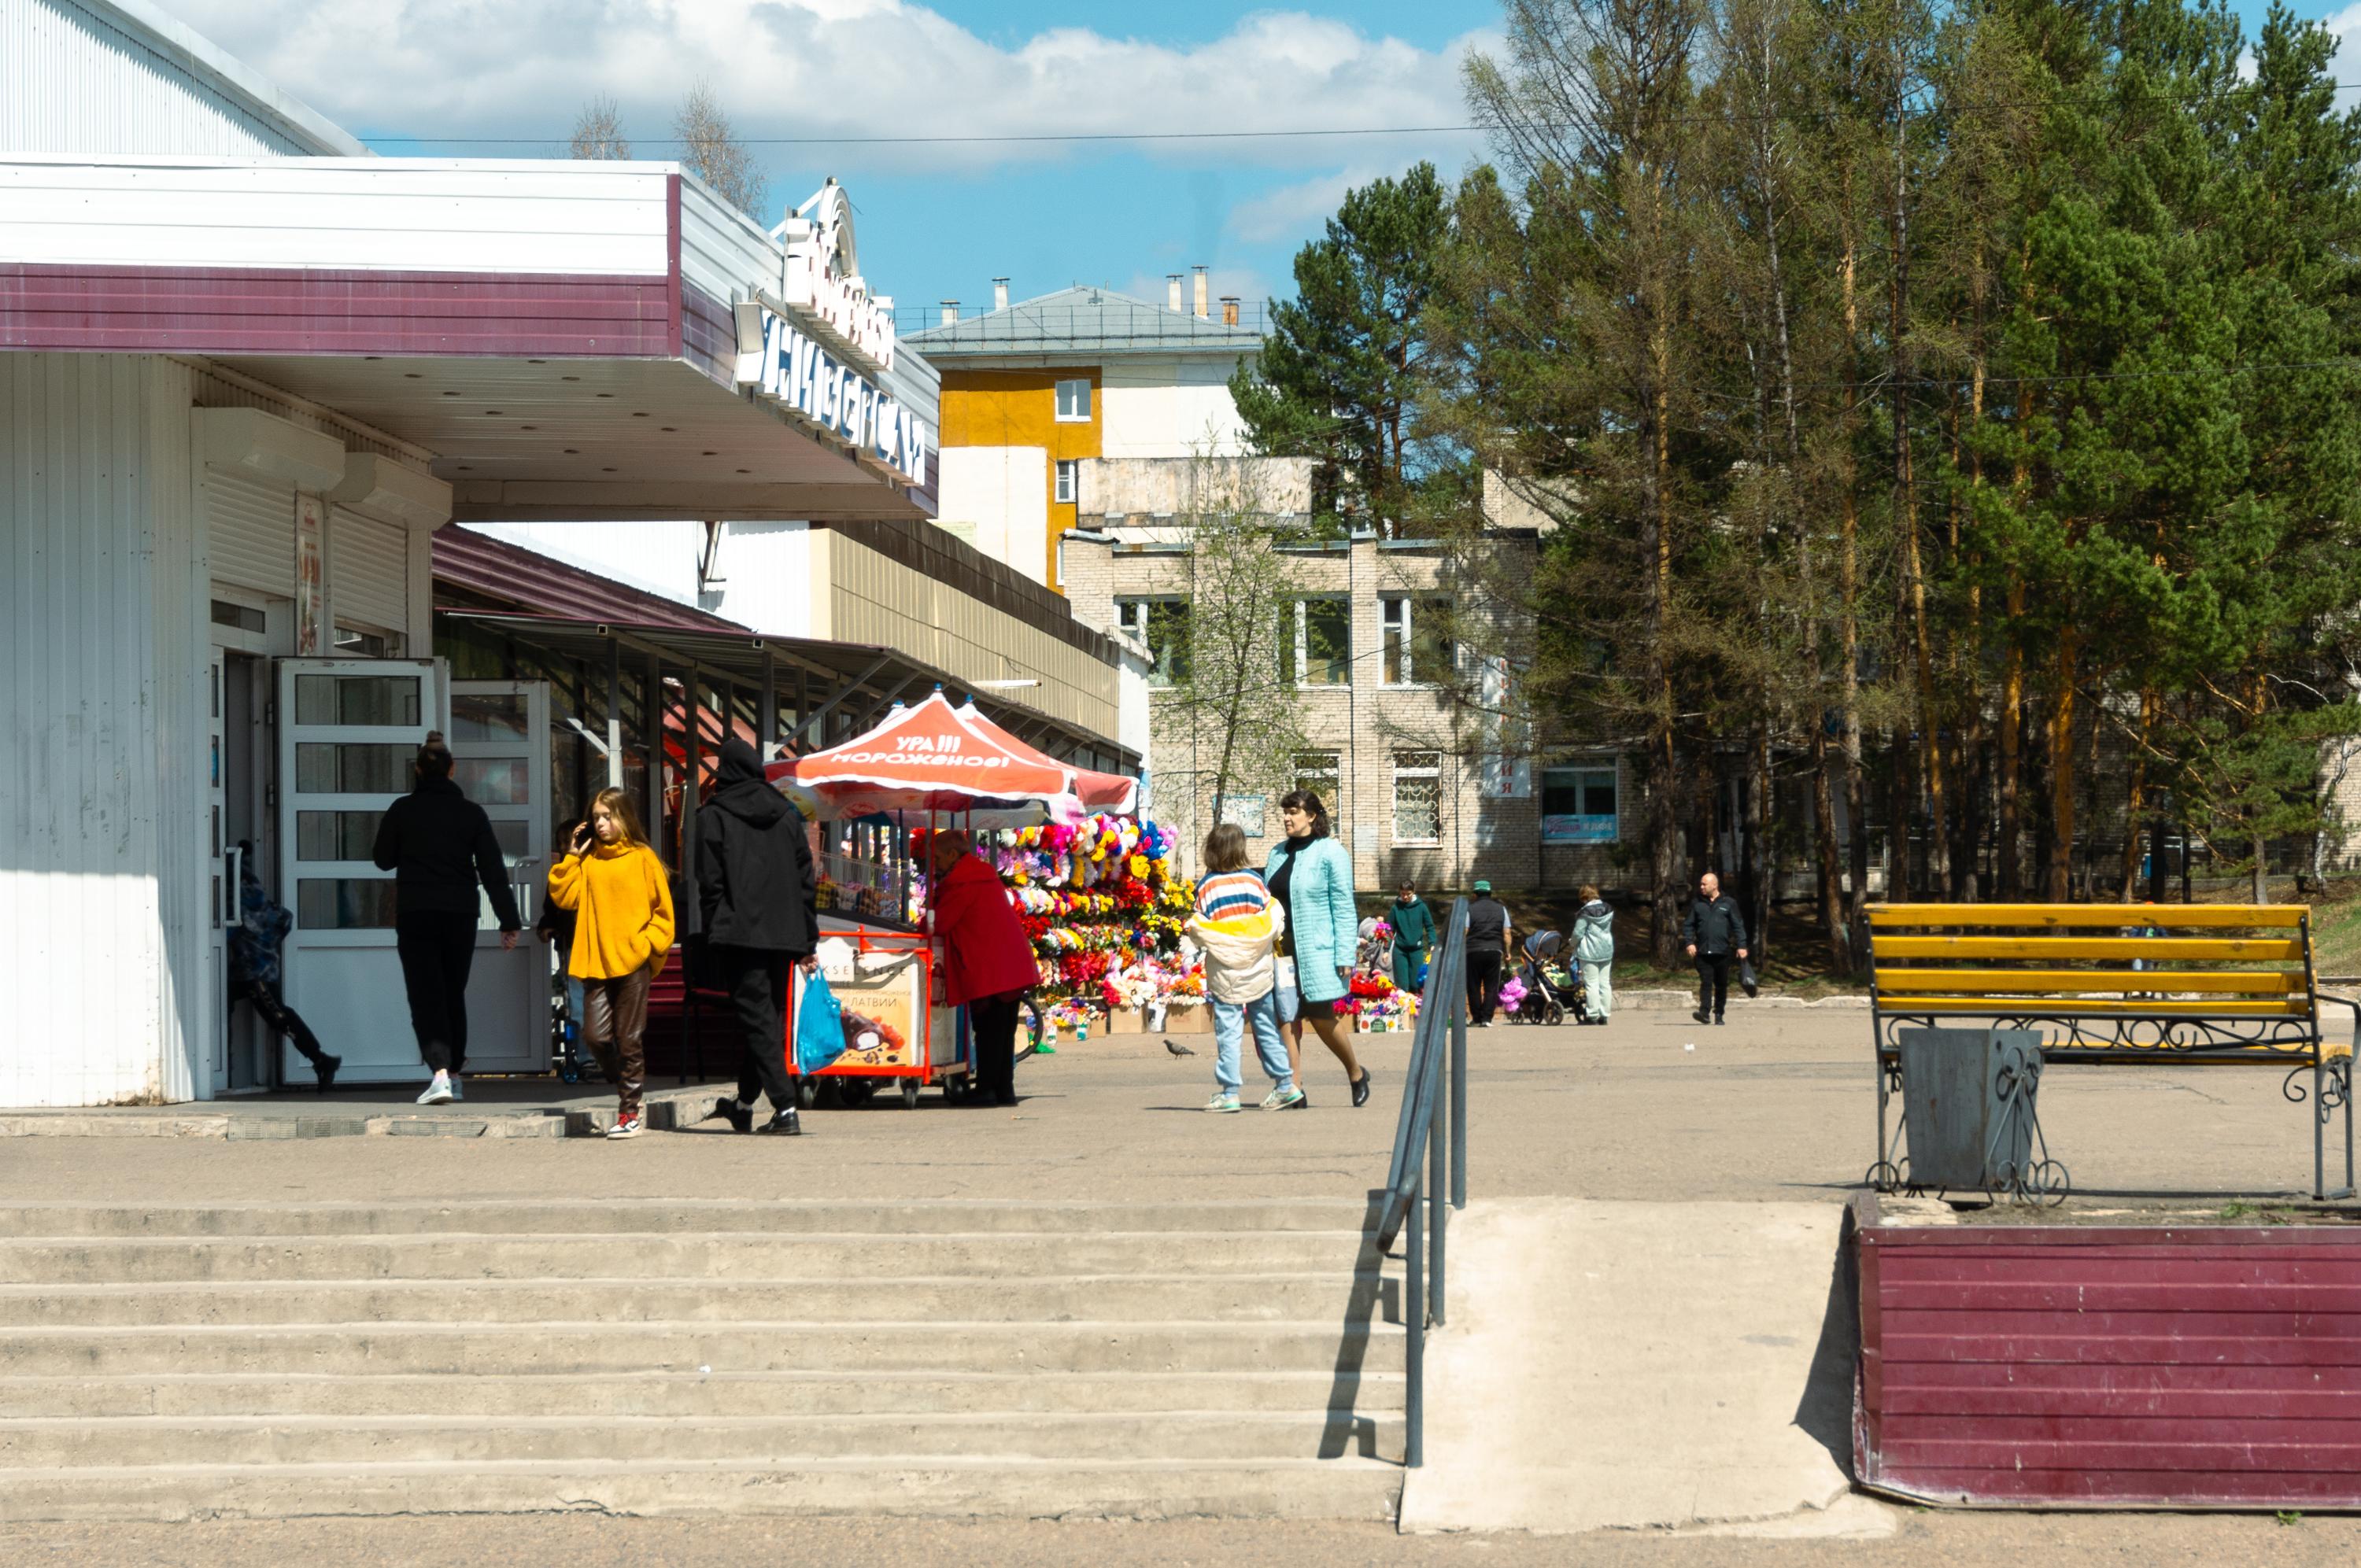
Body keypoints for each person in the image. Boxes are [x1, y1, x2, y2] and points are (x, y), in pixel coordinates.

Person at [371, 732, 521, 1106]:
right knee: (453, 992)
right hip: (460, 914)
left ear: (419, 771)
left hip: (417, 912)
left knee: (426, 994)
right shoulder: (471, 813)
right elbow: (492, 870)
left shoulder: (402, 809)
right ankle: (454, 1074)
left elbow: (383, 858)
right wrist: (509, 920)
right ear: (452, 771)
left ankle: (439, 1072)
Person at [696, 739, 817, 1137]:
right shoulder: (786, 814)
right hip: (783, 934)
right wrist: (807, 939)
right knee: (765, 1020)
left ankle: (785, 1107)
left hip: (740, 934)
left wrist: (717, 929)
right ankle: (744, 1105)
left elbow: (709, 883)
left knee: (758, 1017)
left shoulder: (713, 815)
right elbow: (805, 882)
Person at [547, 790, 674, 1138]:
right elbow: (563, 896)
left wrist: (647, 945)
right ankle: (627, 1086)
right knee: (596, 1037)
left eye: (608, 816)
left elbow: (664, 912)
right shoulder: (589, 860)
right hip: (596, 962)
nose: (602, 824)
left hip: (633, 962)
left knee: (628, 1038)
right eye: (597, 817)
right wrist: (571, 855)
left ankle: (628, 1113)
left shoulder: (642, 857)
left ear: (624, 817)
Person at [1264, 791, 1371, 1109]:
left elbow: (1342, 906)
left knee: (1321, 1016)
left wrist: (1344, 954)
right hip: (1282, 949)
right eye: (1284, 812)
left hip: (1318, 949)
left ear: (1311, 816)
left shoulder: (1331, 852)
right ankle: (1293, 1088)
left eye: (1293, 811)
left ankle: (1355, 1072)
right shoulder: (1277, 853)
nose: (1287, 817)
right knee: (1286, 1017)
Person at [1186, 825, 1303, 1114]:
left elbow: (1199, 929)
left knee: (1228, 1031)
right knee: (1266, 1027)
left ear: (1211, 851)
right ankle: (1286, 1085)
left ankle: (1229, 1092)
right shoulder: (1255, 881)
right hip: (1258, 969)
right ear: (1241, 848)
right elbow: (1273, 919)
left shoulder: (1206, 886)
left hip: (1226, 970)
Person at [927, 827, 1038, 1107]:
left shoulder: (961, 881)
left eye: (938, 858)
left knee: (989, 1029)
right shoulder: (982, 874)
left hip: (990, 968)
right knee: (1003, 1029)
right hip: (1009, 964)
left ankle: (989, 1089)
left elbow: (939, 924)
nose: (935, 864)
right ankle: (1004, 1089)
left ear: (953, 855)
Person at [227, 844, 340, 1090]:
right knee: (227, 1006)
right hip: (254, 971)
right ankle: (321, 1060)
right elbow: (284, 920)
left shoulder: (243, 911)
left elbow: (228, 930)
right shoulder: (267, 909)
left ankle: (321, 1059)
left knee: (278, 1016)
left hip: (255, 974)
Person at [1682, 870, 1749, 1026]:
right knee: (1706, 981)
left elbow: (1738, 925)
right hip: (1703, 951)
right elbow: (1688, 925)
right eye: (1701, 884)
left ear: (1714, 885)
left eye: (1704, 884)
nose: (1701, 887)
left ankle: (1719, 1013)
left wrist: (1742, 945)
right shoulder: (1697, 903)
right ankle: (1704, 1013)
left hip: (1723, 952)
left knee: (1721, 984)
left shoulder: (1729, 903)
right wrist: (1689, 942)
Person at [1465, 880, 1512, 1028]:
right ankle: (1487, 1018)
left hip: (1473, 952)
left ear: (1475, 894)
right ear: (1490, 893)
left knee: (1474, 986)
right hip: (1494, 951)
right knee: (1492, 986)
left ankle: (1477, 1018)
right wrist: (1508, 952)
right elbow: (1507, 933)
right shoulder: (1501, 909)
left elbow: (1464, 931)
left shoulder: (1469, 909)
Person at [1572, 885, 1616, 1023]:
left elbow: (1578, 933)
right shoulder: (1609, 908)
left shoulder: (1585, 912)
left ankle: (1592, 1015)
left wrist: (1572, 943)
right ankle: (1605, 1014)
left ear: (1584, 897)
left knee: (1591, 983)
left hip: (1589, 950)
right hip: (1606, 948)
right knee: (1605, 983)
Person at [1390, 880, 1437, 995]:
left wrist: (1432, 943)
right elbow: (1389, 930)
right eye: (1402, 894)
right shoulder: (1396, 909)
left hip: (1416, 950)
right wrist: (1386, 950)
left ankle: (1415, 1010)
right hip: (1400, 951)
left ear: (1414, 892)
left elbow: (1430, 926)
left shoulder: (1421, 907)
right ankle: (1403, 1010)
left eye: (1408, 894)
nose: (1405, 897)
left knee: (1416, 984)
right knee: (1402, 985)